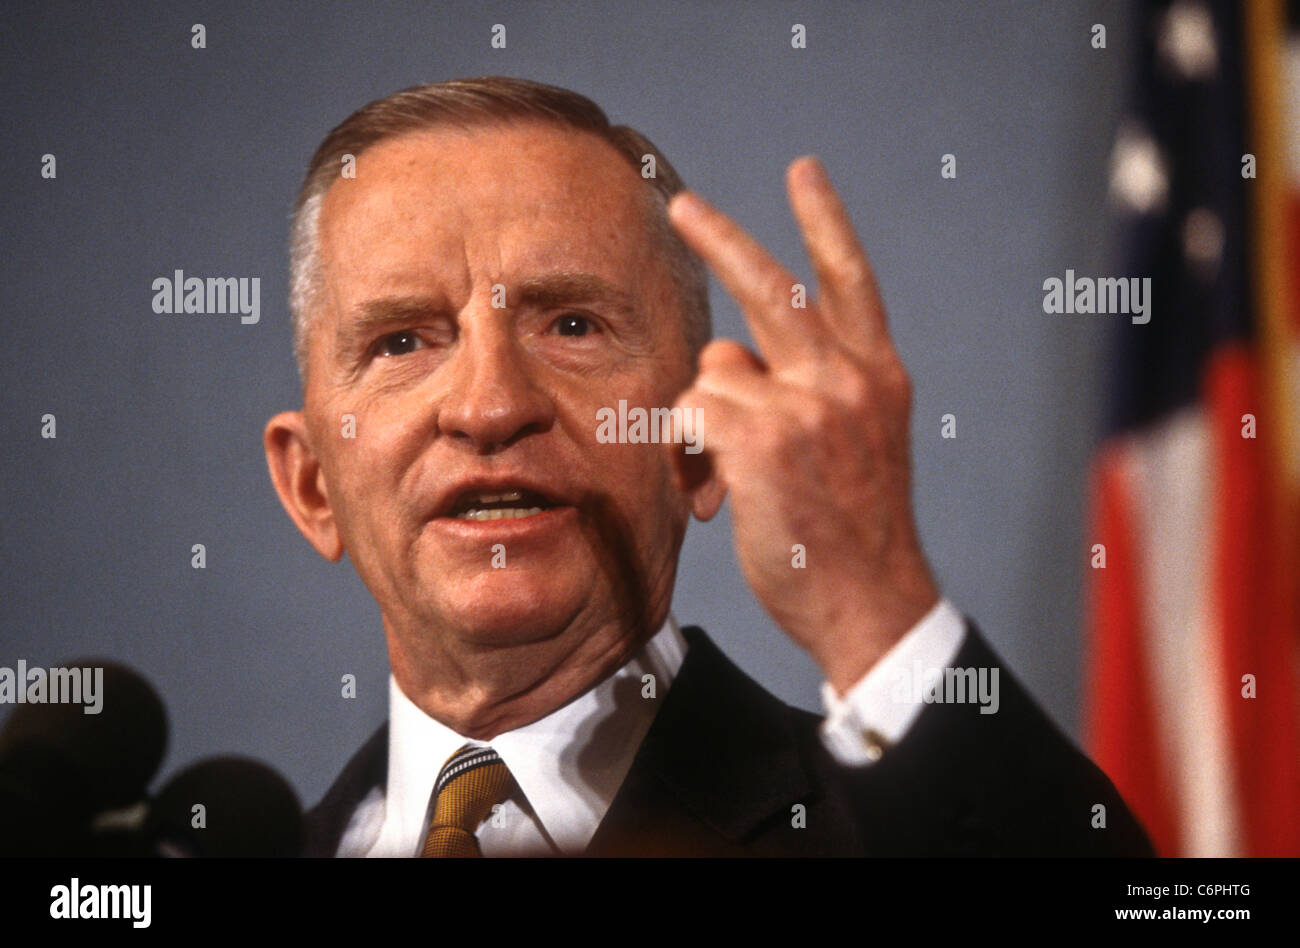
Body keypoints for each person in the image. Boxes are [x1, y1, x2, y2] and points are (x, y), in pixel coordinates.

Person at [263, 76, 1153, 857]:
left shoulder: (883, 835)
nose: (490, 406)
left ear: (696, 444)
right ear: (312, 487)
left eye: (572, 325)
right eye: (403, 341)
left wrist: (870, 604)